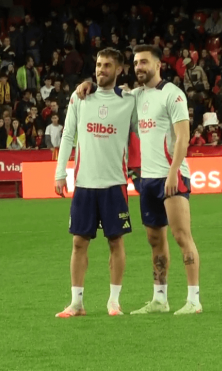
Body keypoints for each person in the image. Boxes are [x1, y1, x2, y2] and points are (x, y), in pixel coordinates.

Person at [76, 45, 202, 315]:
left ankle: (194, 299)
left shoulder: (173, 94)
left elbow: (183, 137)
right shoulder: (133, 96)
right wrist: (87, 83)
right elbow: (105, 90)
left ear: (158, 65)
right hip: (147, 180)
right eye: (135, 63)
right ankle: (160, 298)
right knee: (155, 240)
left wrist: (173, 171)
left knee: (182, 236)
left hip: (172, 176)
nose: (139, 67)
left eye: (144, 62)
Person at [54, 48, 137, 318]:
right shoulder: (80, 97)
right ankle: (76, 303)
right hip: (84, 183)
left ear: (119, 70)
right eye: (99, 64)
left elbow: (140, 133)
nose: (101, 70)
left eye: (107, 66)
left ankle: (114, 301)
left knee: (116, 242)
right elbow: (67, 136)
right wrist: (59, 173)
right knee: (79, 243)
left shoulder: (129, 100)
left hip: (114, 183)